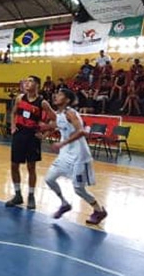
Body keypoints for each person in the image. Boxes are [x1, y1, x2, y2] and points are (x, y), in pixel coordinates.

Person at [43, 89, 108, 225]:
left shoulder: (71, 113)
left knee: (78, 189)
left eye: (60, 94)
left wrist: (62, 143)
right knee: (49, 179)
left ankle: (99, 210)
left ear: (67, 100)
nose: (56, 96)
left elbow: (81, 131)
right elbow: (56, 125)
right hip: (65, 155)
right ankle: (64, 203)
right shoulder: (59, 114)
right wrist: (41, 130)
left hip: (79, 155)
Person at [5, 75, 54, 210]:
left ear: (37, 85)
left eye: (30, 81)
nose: (27, 83)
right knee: (14, 165)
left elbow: (55, 119)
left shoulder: (42, 103)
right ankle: (18, 195)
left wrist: (45, 135)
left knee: (31, 167)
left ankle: (31, 196)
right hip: (19, 134)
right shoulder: (20, 98)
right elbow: (13, 113)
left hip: (32, 136)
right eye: (26, 81)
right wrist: (13, 126)